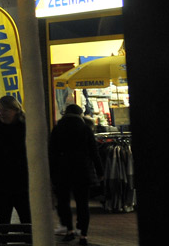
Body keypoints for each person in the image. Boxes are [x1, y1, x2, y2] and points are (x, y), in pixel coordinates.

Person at [49, 104, 104, 245]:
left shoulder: (58, 129)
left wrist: (51, 172)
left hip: (62, 171)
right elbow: (94, 152)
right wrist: (100, 171)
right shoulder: (85, 129)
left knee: (63, 202)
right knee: (82, 203)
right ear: (80, 114)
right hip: (82, 171)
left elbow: (51, 153)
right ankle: (83, 234)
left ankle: (69, 230)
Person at [0, 95, 30, 224]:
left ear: (16, 110)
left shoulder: (26, 129)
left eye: (5, 110)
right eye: (0, 110)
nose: (2, 114)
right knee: (2, 220)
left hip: (22, 182)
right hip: (0, 182)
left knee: (27, 218)